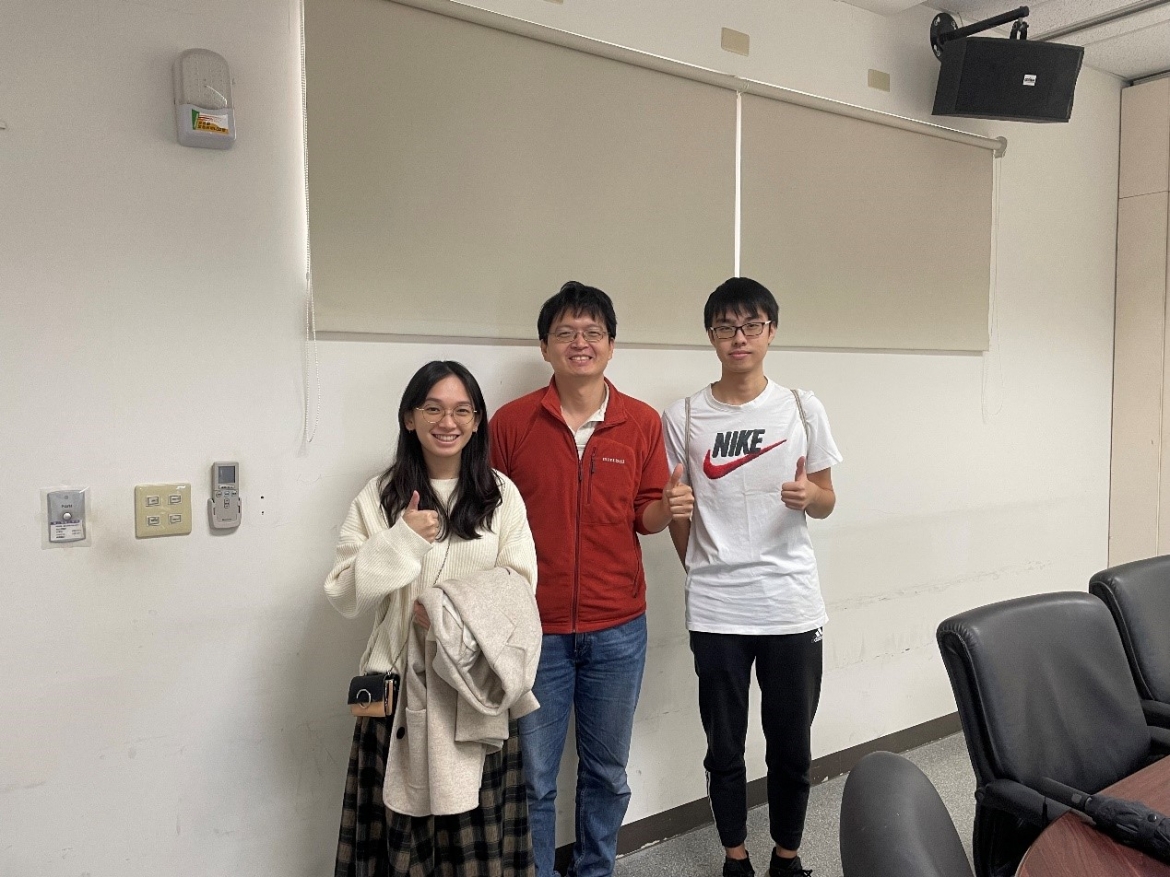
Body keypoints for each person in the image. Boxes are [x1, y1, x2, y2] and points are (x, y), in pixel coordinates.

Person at [490, 281, 693, 877]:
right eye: (565, 333)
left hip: (618, 628)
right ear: (545, 347)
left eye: (592, 333)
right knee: (533, 778)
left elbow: (645, 516)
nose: (580, 343)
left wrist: (668, 507)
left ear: (610, 345)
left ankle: (595, 869)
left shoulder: (640, 422)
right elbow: (488, 518)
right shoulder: (511, 423)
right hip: (535, 629)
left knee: (606, 772)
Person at [325, 360, 540, 877]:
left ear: (477, 421)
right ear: (409, 418)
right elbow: (344, 593)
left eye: (462, 411)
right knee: (404, 842)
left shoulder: (500, 494)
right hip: (396, 693)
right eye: (433, 409)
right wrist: (401, 540)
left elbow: (520, 587)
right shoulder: (380, 496)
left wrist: (446, 613)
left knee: (476, 843)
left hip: (476, 689)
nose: (448, 422)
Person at [661, 278, 842, 877]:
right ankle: (735, 857)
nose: (739, 338)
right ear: (711, 335)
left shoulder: (801, 407)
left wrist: (809, 496)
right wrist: (701, 569)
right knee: (724, 747)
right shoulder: (685, 416)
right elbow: (679, 515)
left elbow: (828, 500)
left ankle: (787, 857)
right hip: (717, 609)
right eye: (726, 327)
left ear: (771, 332)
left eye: (751, 326)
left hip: (791, 603)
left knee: (791, 745)